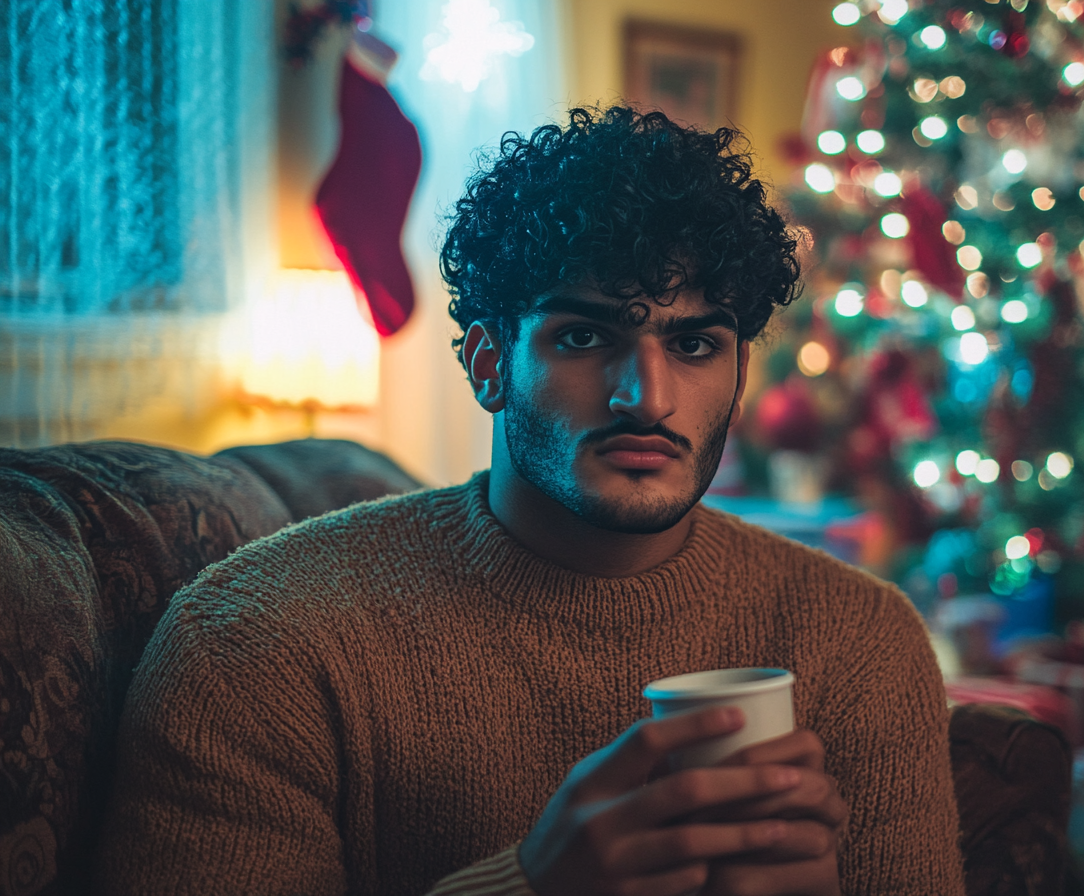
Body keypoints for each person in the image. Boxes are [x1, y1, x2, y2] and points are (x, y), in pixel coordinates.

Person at [97, 106, 965, 895]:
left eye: (696, 343)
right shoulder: (258, 645)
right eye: (584, 336)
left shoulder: (859, 642)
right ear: (486, 362)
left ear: (738, 377)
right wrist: (533, 887)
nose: (647, 398)